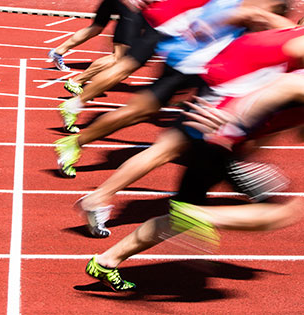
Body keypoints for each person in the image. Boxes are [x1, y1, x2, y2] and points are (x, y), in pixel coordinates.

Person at [78, 21, 304, 238]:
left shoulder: (285, 29)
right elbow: (279, 81)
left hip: (228, 89)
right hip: (227, 97)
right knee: (168, 151)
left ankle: (100, 198)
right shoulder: (292, 37)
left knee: (170, 150)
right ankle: (100, 199)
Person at [84, 88, 304, 292]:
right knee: (279, 212)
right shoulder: (295, 81)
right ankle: (198, 215)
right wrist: (236, 122)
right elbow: (276, 90)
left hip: (215, 141)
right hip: (226, 144)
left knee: (179, 217)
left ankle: (106, 261)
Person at [55, 0, 292, 178]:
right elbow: (251, 14)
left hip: (204, 63)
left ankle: (79, 143)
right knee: (145, 113)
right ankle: (81, 154)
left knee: (170, 121)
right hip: (196, 63)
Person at [59, 0, 211, 130]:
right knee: (122, 62)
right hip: (174, 22)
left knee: (126, 65)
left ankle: (75, 104)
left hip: (167, 19)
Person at [48, 0, 146, 72]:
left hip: (115, 3)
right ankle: (79, 80)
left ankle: (58, 51)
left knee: (96, 27)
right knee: (118, 57)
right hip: (128, 5)